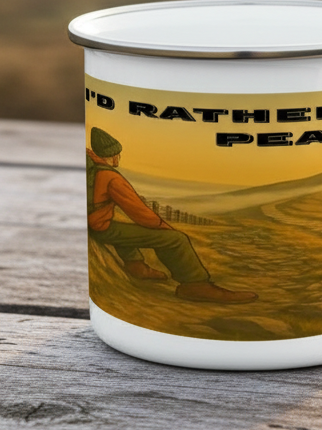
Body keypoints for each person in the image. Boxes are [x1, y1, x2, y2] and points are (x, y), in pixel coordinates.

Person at [87, 127, 257, 304]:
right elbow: (140, 213)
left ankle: (136, 266)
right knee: (176, 240)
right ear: (112, 155)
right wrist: (164, 227)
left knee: (124, 228)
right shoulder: (111, 177)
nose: (119, 158)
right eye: (117, 154)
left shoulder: (92, 165)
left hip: (96, 223)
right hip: (101, 227)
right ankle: (194, 285)